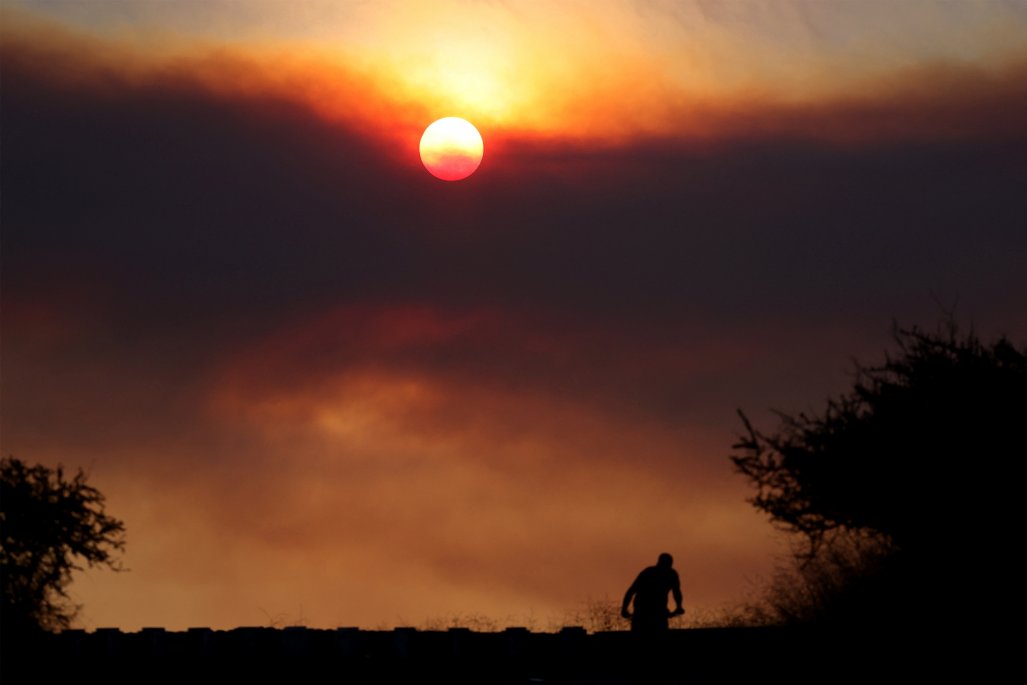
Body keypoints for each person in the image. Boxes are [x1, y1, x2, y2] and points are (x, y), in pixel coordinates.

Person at [621, 553, 684, 633]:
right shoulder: (649, 572)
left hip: (657, 611)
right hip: (643, 610)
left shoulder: (671, 574)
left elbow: (677, 592)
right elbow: (631, 591)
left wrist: (679, 606)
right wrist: (624, 608)